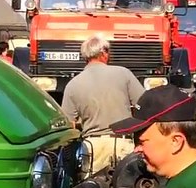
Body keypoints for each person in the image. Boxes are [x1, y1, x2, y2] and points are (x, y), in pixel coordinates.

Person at [60, 35, 146, 174]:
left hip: (92, 148)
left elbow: (69, 124)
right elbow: (144, 105)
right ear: (104, 53)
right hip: (122, 144)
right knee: (126, 184)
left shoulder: (72, 85)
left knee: (92, 186)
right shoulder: (123, 73)